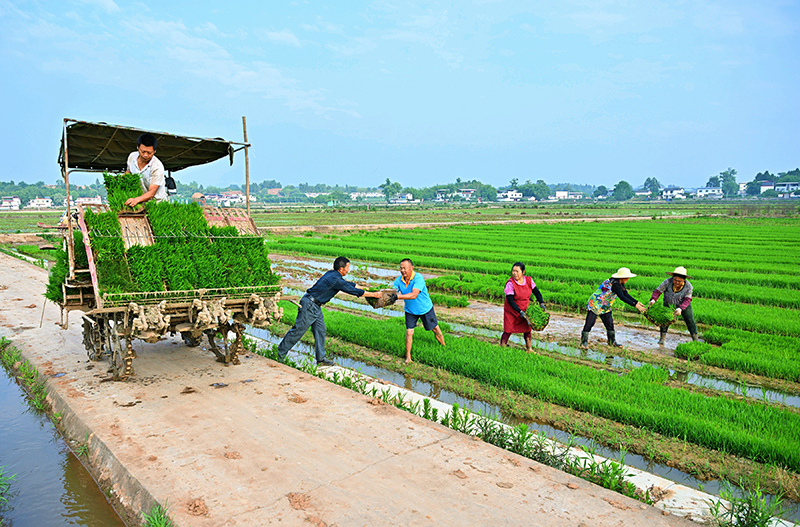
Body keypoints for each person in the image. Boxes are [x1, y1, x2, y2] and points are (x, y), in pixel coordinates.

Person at [277, 257, 381, 366]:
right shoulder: (336, 280)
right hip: (310, 306)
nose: (348, 270)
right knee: (298, 331)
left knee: (320, 330)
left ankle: (321, 359)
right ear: (341, 269)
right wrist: (374, 295)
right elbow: (352, 290)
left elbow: (349, 284)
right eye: (347, 267)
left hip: (315, 306)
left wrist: (365, 288)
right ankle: (279, 354)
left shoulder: (333, 274)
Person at [393, 258, 445, 363]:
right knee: (409, 332)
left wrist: (397, 297)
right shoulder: (398, 280)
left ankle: (444, 346)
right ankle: (408, 357)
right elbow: (392, 292)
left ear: (411, 268)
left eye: (405, 268)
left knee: (435, 329)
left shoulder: (418, 278)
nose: (402, 270)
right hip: (410, 310)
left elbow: (414, 295)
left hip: (425, 308)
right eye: (401, 268)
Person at [581, 267, 646, 348]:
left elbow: (626, 294)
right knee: (590, 323)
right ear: (622, 277)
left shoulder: (619, 283)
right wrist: (635, 306)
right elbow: (622, 297)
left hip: (605, 305)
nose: (628, 278)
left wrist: (637, 302)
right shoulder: (615, 284)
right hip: (596, 303)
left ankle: (612, 341)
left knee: (609, 323)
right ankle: (584, 342)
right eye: (627, 277)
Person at [501, 262, 546, 353]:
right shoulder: (510, 283)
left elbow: (537, 292)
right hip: (512, 310)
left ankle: (529, 349)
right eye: (513, 271)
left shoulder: (529, 280)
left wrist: (541, 303)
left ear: (523, 272)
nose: (514, 273)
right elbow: (510, 300)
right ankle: (502, 347)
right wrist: (519, 311)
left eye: (517, 271)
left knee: (527, 329)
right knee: (508, 329)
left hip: (525, 308)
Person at [649, 266, 698, 344]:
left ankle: (695, 340)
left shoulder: (688, 286)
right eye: (675, 280)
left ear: (684, 280)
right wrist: (653, 299)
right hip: (668, 303)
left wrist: (680, 308)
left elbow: (687, 299)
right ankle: (662, 339)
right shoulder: (667, 282)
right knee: (665, 320)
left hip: (683, 305)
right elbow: (658, 291)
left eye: (679, 281)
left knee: (690, 321)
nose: (677, 282)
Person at [124, 133, 169, 207]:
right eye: (143, 151)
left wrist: (136, 200)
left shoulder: (157, 167)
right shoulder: (132, 157)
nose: (145, 155)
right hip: (139, 201)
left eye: (149, 153)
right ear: (138, 147)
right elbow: (128, 172)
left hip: (156, 203)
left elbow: (152, 193)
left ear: (154, 151)